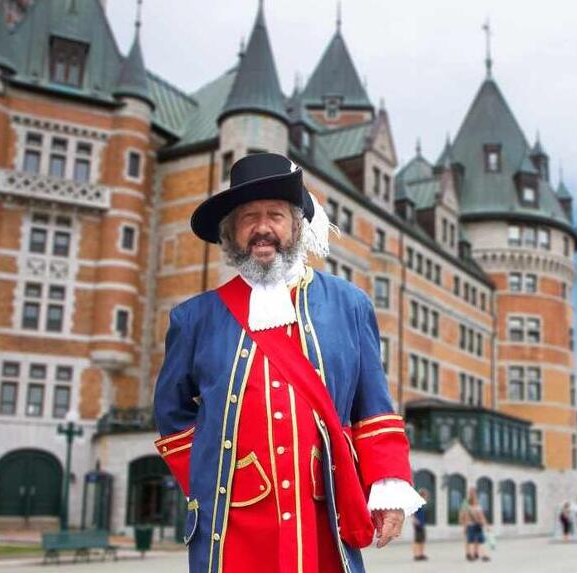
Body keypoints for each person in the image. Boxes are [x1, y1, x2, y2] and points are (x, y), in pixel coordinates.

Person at [153, 153, 424, 573]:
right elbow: (172, 414)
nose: (263, 228)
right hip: (232, 526)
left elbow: (373, 406)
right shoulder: (193, 319)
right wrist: (217, 476)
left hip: (323, 513)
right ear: (231, 234)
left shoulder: (349, 305)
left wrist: (387, 487)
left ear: (296, 225)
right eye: (248, 218)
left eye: (275, 215)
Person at [460, 488, 490, 562]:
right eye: (471, 492)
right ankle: (469, 554)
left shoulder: (477, 503)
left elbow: (481, 515)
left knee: (477, 540)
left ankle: (476, 553)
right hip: (470, 524)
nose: (473, 494)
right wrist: (464, 525)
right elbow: (463, 514)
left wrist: (485, 524)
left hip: (477, 524)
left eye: (474, 493)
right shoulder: (466, 502)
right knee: (470, 540)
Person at [412, 489, 429, 561]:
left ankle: (421, 554)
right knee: (417, 540)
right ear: (422, 495)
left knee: (422, 540)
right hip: (418, 524)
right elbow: (412, 512)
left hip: (422, 524)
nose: (427, 497)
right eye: (426, 496)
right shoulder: (417, 503)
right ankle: (416, 555)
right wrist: (415, 520)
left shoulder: (422, 503)